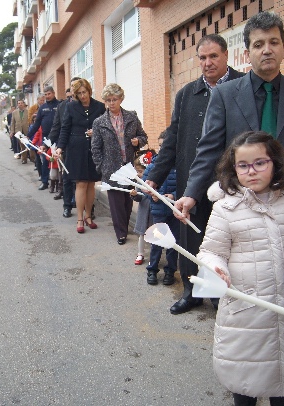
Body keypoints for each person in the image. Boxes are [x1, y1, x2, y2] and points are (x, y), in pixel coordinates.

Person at [197, 131, 284, 405]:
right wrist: (215, 268)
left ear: (275, 162)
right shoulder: (226, 207)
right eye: (243, 165)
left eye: (260, 163)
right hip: (246, 311)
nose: (251, 171)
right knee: (245, 380)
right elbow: (211, 250)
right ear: (233, 168)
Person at [178, 11, 284, 224]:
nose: (267, 50)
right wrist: (191, 193)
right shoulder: (224, 94)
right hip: (240, 201)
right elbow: (209, 149)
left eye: (274, 42)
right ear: (247, 54)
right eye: (258, 44)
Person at [146, 34, 244, 314]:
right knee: (191, 239)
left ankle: (218, 295)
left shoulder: (242, 87)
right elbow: (173, 139)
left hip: (230, 181)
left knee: (224, 240)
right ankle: (191, 292)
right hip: (192, 181)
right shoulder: (187, 94)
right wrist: (156, 174)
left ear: (227, 55)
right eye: (202, 58)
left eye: (213, 56)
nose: (208, 63)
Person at [92, 83, 147, 244]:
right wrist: (101, 166)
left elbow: (144, 136)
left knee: (128, 200)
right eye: (108, 100)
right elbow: (95, 148)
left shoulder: (132, 116)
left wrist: (138, 141)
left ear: (121, 99)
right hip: (110, 168)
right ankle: (120, 232)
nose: (111, 103)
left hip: (129, 166)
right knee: (116, 202)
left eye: (114, 99)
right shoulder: (99, 122)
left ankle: (124, 225)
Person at [55, 78, 105, 233]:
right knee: (81, 183)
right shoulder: (70, 107)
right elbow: (64, 129)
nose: (83, 96)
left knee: (91, 184)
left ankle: (88, 216)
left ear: (89, 90)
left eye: (85, 92)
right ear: (76, 95)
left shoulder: (100, 106)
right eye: (79, 93)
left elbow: (104, 126)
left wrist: (96, 132)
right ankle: (79, 219)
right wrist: (60, 148)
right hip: (76, 149)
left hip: (94, 149)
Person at [142, 133, 180, 285]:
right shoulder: (152, 167)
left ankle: (170, 271)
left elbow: (186, 188)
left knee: (173, 243)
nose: (163, 149)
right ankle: (152, 270)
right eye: (160, 146)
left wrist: (173, 196)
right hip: (158, 211)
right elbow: (143, 188)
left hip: (174, 212)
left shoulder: (180, 168)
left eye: (167, 146)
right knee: (156, 241)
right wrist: (152, 196)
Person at [50, 79, 81, 215]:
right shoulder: (62, 106)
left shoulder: (89, 105)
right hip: (67, 147)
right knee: (67, 177)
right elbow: (57, 126)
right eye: (74, 86)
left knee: (83, 179)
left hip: (84, 147)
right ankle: (67, 205)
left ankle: (87, 208)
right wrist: (50, 144)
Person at [29, 86, 60, 191]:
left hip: (58, 137)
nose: (47, 96)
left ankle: (60, 185)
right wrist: (28, 135)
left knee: (58, 160)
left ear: (54, 93)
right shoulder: (42, 108)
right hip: (46, 139)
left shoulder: (60, 105)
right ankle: (45, 182)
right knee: (45, 161)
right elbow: (37, 124)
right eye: (45, 94)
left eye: (49, 94)